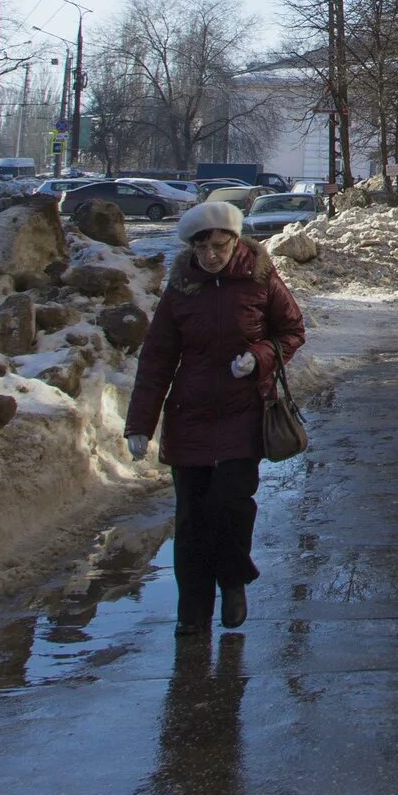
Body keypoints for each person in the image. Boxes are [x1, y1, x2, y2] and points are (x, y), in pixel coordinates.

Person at [124, 199, 306, 633]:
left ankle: (233, 582)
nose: (211, 256)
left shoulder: (259, 277)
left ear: (235, 241)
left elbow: (292, 330)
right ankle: (192, 611)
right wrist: (139, 425)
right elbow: (157, 359)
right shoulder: (182, 287)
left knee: (231, 505)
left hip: (245, 412)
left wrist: (260, 356)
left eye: (219, 247)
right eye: (202, 248)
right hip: (190, 415)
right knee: (191, 516)